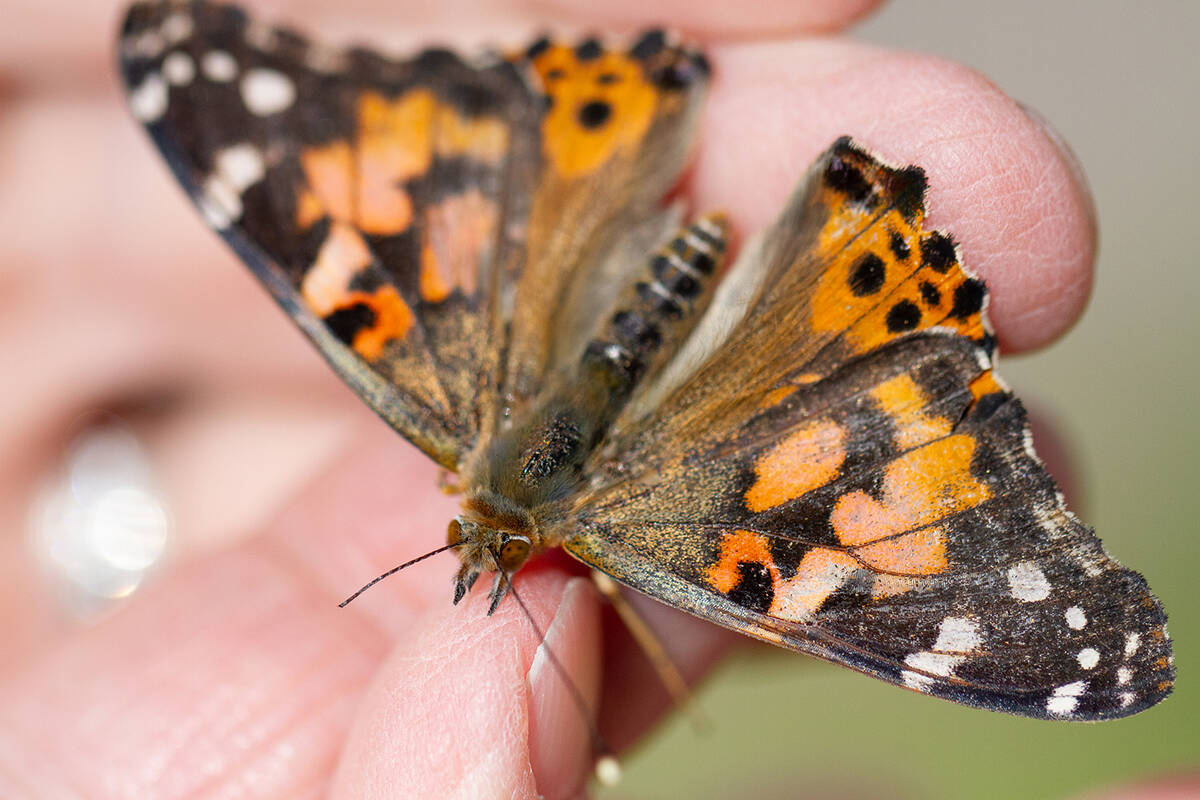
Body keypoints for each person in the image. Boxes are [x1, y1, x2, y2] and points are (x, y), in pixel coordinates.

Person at [6, 1, 1184, 797]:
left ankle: (624, 123)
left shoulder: (542, 482)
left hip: (603, 266)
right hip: (762, 319)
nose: (482, 552)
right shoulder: (553, 481)